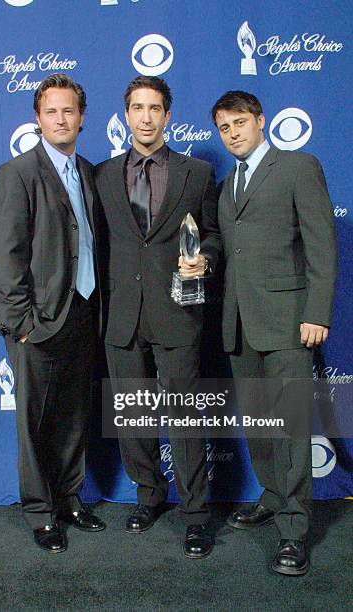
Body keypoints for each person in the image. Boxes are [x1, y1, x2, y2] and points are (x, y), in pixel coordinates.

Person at [211, 90, 337, 575]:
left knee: (289, 429)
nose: (233, 133)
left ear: (260, 121)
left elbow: (321, 244)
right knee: (261, 425)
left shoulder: (298, 166)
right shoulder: (228, 185)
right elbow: (231, 250)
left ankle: (294, 531)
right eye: (224, 127)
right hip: (240, 325)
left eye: (240, 122)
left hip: (289, 322)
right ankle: (271, 494)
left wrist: (317, 312)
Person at [95, 76, 220, 558]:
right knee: (134, 417)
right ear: (126, 115)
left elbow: (213, 235)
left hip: (178, 312)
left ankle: (196, 515)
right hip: (122, 316)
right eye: (137, 108)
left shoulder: (198, 173)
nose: (145, 117)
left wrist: (205, 258)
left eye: (154, 108)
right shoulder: (102, 174)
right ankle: (148, 497)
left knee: (187, 419)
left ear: (168, 116)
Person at [0, 73, 105, 553]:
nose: (61, 119)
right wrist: (20, 323)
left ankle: (69, 497)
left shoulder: (90, 171)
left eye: (69, 111)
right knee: (34, 421)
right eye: (51, 111)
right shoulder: (16, 173)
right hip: (35, 320)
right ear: (38, 119)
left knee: (74, 415)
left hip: (83, 311)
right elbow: (7, 252)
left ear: (82, 118)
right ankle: (40, 512)